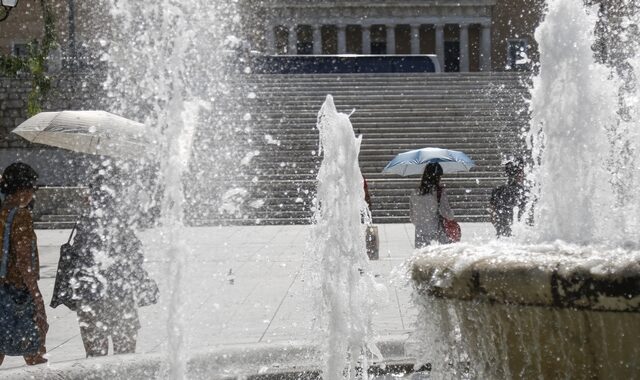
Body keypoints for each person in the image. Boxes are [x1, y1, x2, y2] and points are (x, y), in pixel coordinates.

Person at [58, 164, 156, 357]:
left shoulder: (86, 221)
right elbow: (134, 259)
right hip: (120, 297)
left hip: (91, 298)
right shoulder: (121, 224)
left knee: (96, 361)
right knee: (125, 359)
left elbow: (79, 260)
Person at [0, 163, 48, 366]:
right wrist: (37, 299)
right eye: (32, 189)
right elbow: (23, 262)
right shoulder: (21, 215)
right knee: (36, 348)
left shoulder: (2, 213)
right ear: (23, 189)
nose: (33, 195)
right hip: (17, 292)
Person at [409, 163, 455, 248]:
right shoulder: (438, 192)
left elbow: (412, 216)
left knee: (422, 257)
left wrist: (422, 223)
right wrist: (452, 215)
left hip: (420, 231)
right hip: (437, 232)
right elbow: (447, 213)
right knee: (441, 257)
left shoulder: (415, 192)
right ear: (436, 177)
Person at [489, 159, 528, 237]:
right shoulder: (523, 192)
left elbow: (492, 215)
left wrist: (497, 223)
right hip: (514, 233)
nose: (523, 175)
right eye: (521, 172)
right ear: (516, 174)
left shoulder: (498, 190)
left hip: (503, 230)